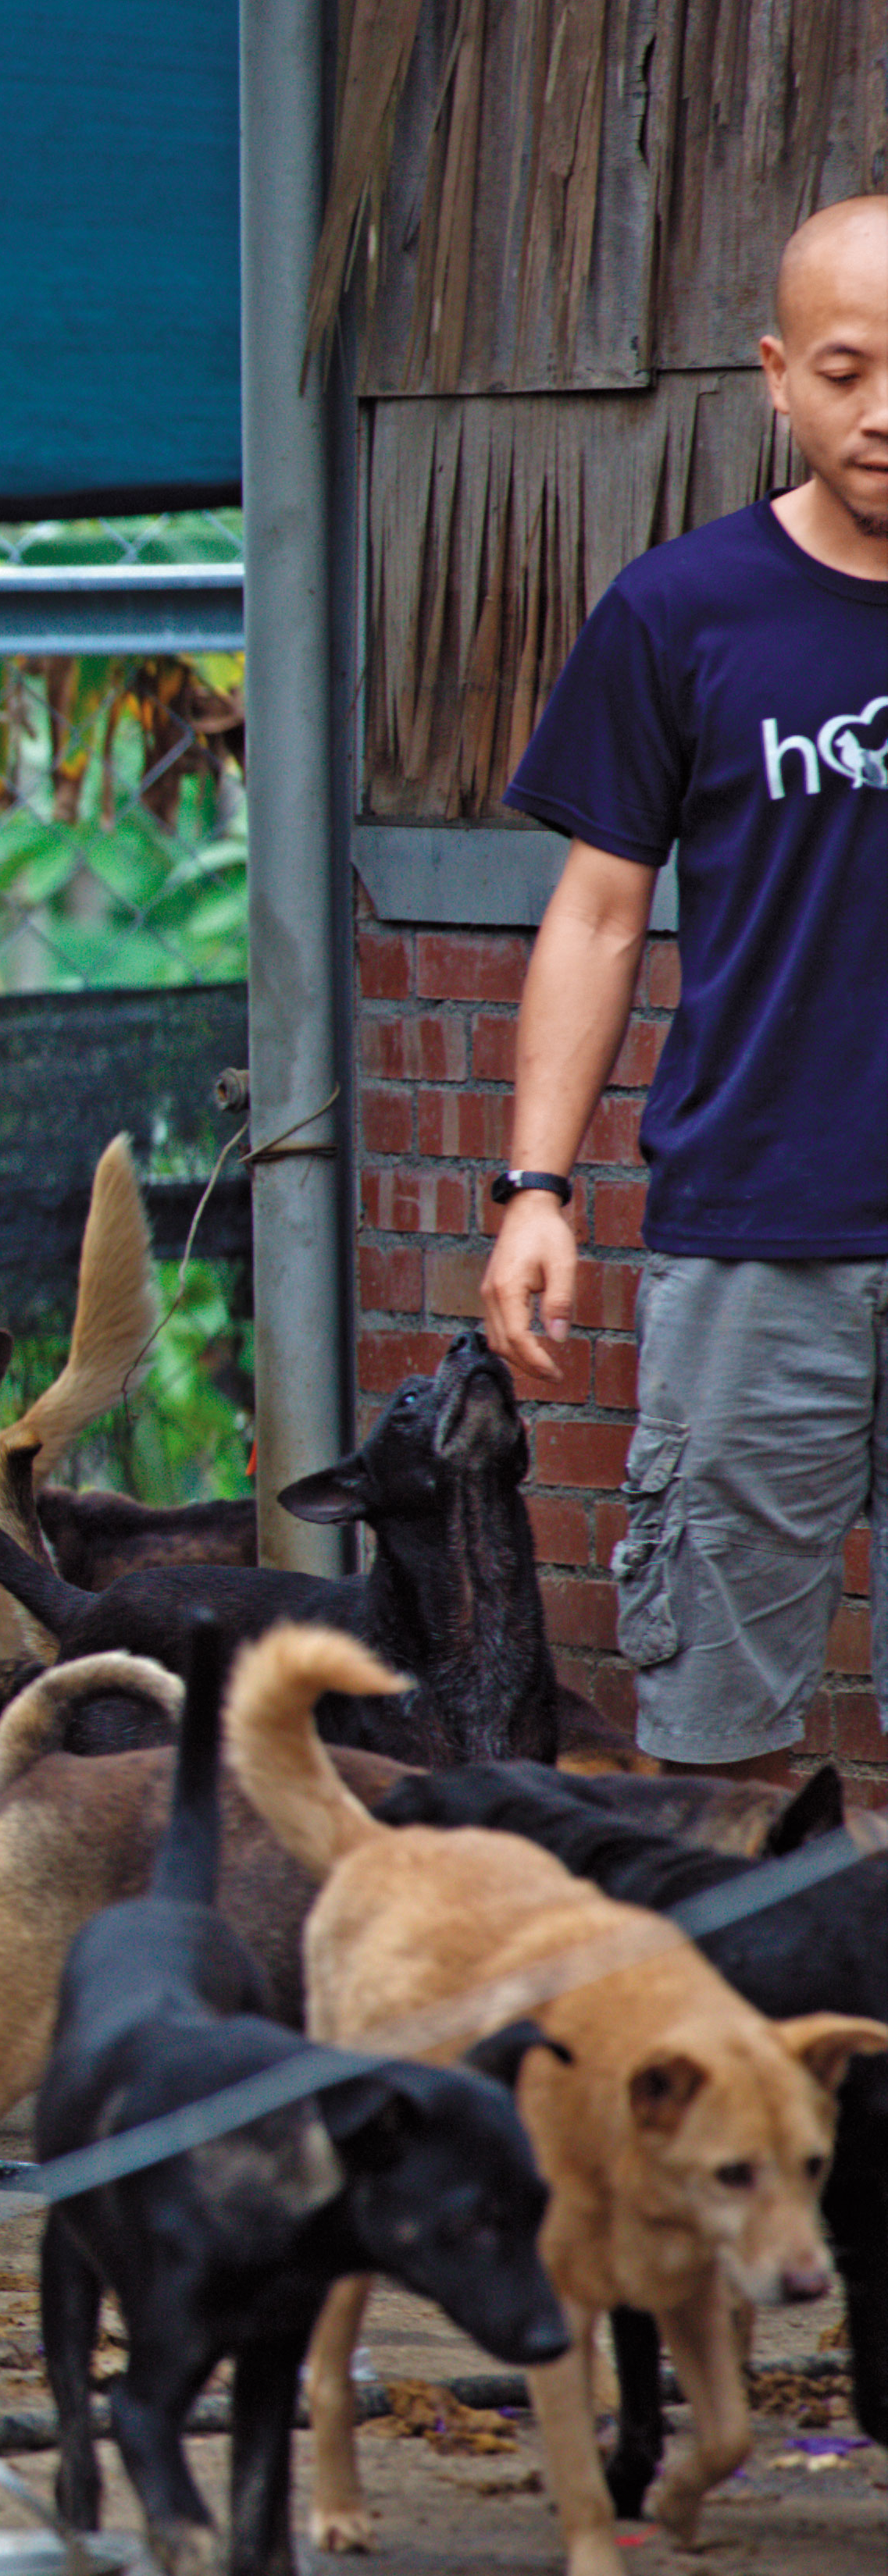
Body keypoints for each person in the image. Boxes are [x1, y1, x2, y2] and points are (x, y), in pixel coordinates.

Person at [478, 194, 888, 1782]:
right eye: (845, 371)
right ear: (777, 378)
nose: (882, 411)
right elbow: (597, 915)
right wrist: (534, 1189)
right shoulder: (680, 609)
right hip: (754, 1243)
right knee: (715, 1739)